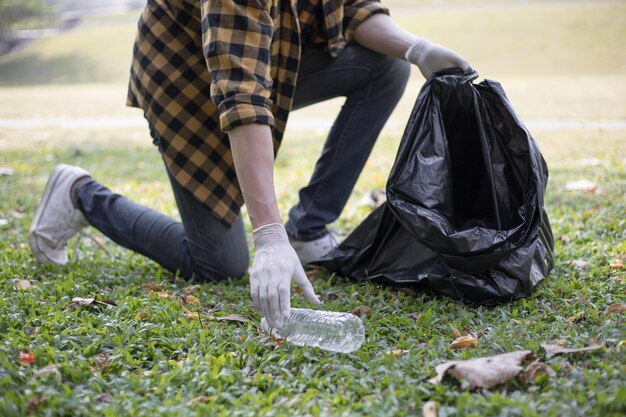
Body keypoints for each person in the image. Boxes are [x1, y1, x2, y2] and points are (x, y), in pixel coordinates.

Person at [29, 0, 469, 328]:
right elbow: (242, 92)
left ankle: (309, 230)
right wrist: (267, 233)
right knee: (220, 265)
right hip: (183, 78)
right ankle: (79, 193)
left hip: (264, 60)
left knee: (386, 68)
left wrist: (416, 48)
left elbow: (348, 11)